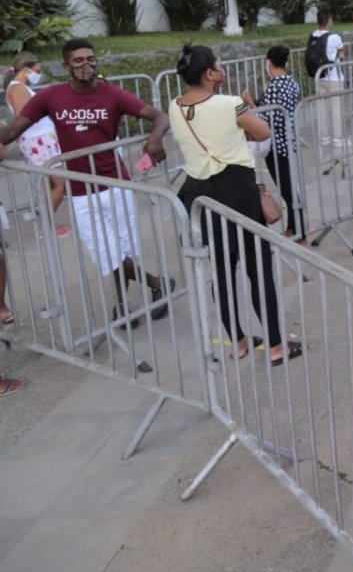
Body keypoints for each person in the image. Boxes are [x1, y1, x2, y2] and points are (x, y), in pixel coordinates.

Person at [0, 38, 172, 329]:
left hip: (116, 185)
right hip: (80, 190)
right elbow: (13, 131)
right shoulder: (51, 97)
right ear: (66, 66)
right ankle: (157, 282)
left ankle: (121, 307)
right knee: (107, 253)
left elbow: (159, 116)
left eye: (90, 59)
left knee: (121, 250)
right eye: (78, 61)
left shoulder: (112, 95)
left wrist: (154, 137)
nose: (86, 65)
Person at [169, 45, 301, 366]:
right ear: (210, 74)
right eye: (219, 66)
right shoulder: (230, 104)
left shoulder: (175, 106)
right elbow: (263, 130)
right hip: (237, 192)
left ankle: (238, 341)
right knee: (258, 270)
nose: (223, 69)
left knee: (223, 271)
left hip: (199, 195)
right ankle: (274, 346)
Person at [242, 46, 306, 244]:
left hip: (276, 145)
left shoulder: (274, 87)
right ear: (286, 63)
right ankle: (294, 227)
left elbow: (264, 117)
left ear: (269, 64)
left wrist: (250, 102)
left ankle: (299, 231)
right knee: (288, 187)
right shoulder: (292, 84)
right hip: (288, 140)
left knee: (286, 189)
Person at [3, 51, 69, 236]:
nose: (38, 75)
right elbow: (23, 116)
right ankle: (46, 228)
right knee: (59, 185)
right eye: (36, 70)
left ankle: (47, 226)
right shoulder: (17, 88)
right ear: (25, 69)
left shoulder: (19, 87)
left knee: (49, 184)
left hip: (41, 140)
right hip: (39, 142)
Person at [311, 4, 346, 151]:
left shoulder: (313, 35)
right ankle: (337, 138)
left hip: (320, 76)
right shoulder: (334, 37)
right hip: (334, 76)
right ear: (329, 21)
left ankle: (323, 137)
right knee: (336, 109)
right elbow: (342, 54)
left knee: (322, 108)